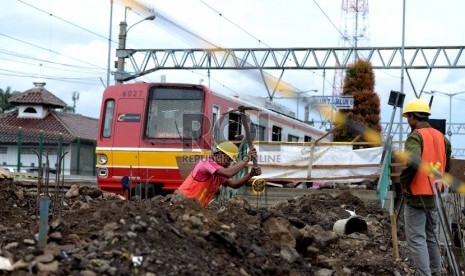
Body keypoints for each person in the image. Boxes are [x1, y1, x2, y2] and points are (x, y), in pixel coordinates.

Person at [400, 98, 451, 276]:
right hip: (434, 194)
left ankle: (424, 274)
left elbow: (413, 162)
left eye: (408, 117)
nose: (408, 121)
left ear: (413, 118)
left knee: (417, 239)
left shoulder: (415, 136)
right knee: (431, 236)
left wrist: (404, 183)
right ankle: (436, 272)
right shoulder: (442, 138)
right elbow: (447, 166)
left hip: (416, 194)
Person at [175, 141, 262, 206]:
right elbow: (228, 173)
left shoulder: (219, 172)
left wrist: (251, 174)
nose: (228, 164)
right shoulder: (206, 162)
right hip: (181, 204)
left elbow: (234, 184)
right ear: (220, 154)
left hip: (195, 208)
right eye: (228, 160)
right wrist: (246, 159)